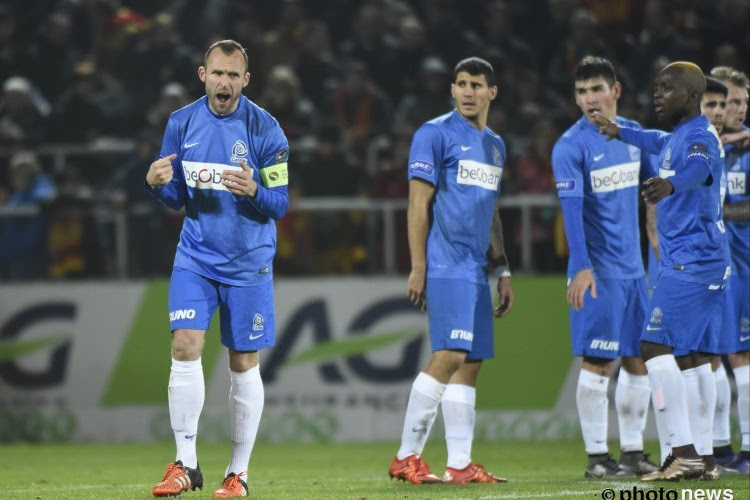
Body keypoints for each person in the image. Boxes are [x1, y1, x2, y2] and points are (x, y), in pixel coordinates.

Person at [146, 39, 290, 498]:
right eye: (217, 73)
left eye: (234, 75)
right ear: (202, 74)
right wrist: (156, 185)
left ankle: (238, 474)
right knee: (185, 345)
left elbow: (280, 204)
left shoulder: (266, 130)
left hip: (249, 263)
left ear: (245, 81)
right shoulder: (180, 123)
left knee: (243, 361)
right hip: (196, 256)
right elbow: (176, 197)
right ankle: (185, 464)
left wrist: (255, 191)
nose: (224, 82)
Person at [594, 61, 730, 481]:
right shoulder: (679, 135)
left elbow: (698, 169)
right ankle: (704, 457)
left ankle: (683, 452)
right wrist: (622, 130)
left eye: (666, 88)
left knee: (653, 347)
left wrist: (671, 185)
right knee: (692, 356)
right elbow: (655, 141)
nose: (657, 94)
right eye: (656, 87)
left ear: (691, 97)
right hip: (699, 259)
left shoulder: (700, 138)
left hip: (692, 261)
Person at [388, 57, 513, 485]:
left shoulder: (496, 145)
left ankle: (459, 464)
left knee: (470, 364)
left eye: (476, 85)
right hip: (445, 263)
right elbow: (417, 205)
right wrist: (418, 266)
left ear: (491, 92)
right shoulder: (434, 134)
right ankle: (406, 456)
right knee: (449, 355)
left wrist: (503, 269)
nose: (466, 91)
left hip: (477, 269)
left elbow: (490, 209)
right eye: (460, 84)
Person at [550, 56, 658, 479]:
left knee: (640, 360)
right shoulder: (570, 147)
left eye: (596, 89)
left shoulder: (633, 136)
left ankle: (632, 453)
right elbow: (571, 212)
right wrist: (580, 267)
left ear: (615, 91)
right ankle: (597, 458)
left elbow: (651, 189)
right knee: (599, 362)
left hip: (634, 271)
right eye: (581, 92)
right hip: (598, 271)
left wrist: (653, 231)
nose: (589, 99)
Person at [710, 66, 750, 474]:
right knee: (712, 356)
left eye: (740, 102)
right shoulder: (710, 147)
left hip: (744, 265)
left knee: (740, 355)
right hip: (715, 267)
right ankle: (720, 448)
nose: (735, 109)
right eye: (728, 102)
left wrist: (714, 211)